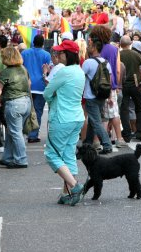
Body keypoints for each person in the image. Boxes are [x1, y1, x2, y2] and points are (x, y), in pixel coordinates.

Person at [43, 40, 86, 206]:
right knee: (68, 154)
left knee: (52, 154)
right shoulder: (79, 71)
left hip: (62, 118)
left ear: (67, 55)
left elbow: (47, 93)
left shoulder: (63, 71)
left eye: (60, 53)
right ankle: (67, 193)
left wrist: (53, 100)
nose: (57, 55)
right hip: (76, 117)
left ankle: (74, 187)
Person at [0, 47, 31, 169]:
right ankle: (7, 157)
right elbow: (29, 84)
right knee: (13, 131)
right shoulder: (23, 69)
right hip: (26, 102)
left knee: (15, 132)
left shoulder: (5, 72)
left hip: (13, 103)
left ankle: (21, 159)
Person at [82, 27, 113, 154]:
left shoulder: (88, 62)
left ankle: (107, 145)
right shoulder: (106, 62)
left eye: (89, 45)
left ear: (94, 47)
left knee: (96, 122)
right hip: (102, 95)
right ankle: (87, 144)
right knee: (93, 121)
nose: (88, 47)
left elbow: (80, 78)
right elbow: (109, 81)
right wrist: (109, 96)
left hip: (91, 96)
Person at [98, 26, 127, 148]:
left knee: (102, 115)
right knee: (114, 113)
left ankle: (101, 140)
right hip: (112, 84)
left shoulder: (97, 49)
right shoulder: (115, 49)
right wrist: (117, 84)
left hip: (99, 84)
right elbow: (118, 70)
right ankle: (119, 139)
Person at [21, 35, 51, 143]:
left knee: (26, 110)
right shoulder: (47, 54)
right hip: (40, 86)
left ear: (33, 42)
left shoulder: (24, 53)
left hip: (27, 85)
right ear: (43, 44)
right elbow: (48, 70)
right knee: (38, 111)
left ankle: (24, 132)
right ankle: (33, 135)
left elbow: (21, 67)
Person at [119, 35, 141, 142]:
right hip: (135, 84)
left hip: (123, 84)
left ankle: (126, 133)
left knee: (124, 109)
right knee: (139, 108)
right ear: (130, 44)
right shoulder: (136, 55)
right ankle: (140, 132)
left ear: (121, 44)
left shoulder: (119, 55)